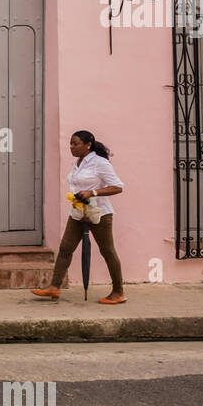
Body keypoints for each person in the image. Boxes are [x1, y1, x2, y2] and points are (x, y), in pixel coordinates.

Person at [32, 130, 127, 304]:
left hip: (99, 214)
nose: (71, 147)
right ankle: (54, 287)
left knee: (107, 251)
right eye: (70, 143)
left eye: (75, 143)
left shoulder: (100, 163)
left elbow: (118, 187)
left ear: (88, 145)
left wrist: (92, 192)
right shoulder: (79, 162)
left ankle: (118, 291)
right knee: (65, 248)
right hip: (78, 212)